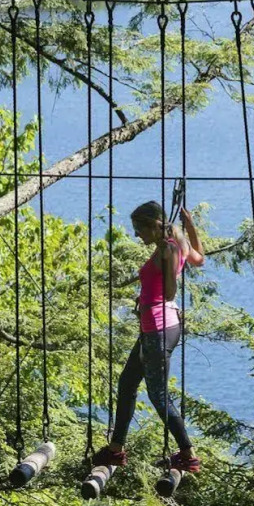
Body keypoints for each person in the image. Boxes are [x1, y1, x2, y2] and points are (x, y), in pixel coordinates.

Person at [93, 194, 205, 472]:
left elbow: (168, 292)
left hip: (157, 329)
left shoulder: (168, 248)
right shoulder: (178, 239)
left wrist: (166, 266)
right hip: (160, 327)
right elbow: (199, 259)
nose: (137, 235)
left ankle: (188, 455)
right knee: (127, 383)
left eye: (140, 230)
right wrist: (190, 226)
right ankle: (115, 449)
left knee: (158, 395)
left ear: (155, 226)